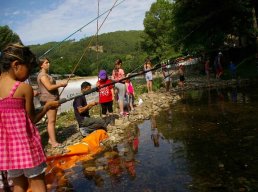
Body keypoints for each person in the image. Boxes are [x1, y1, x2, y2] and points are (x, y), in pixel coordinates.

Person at [0, 43, 60, 192]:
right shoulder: (24, 88)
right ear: (16, 65)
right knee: (38, 184)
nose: (28, 74)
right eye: (28, 68)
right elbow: (32, 119)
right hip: (27, 148)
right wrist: (46, 107)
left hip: (8, 150)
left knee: (19, 186)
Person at [37, 58, 67, 148]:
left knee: (52, 120)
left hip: (52, 99)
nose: (48, 64)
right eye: (46, 62)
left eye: (49, 62)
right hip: (48, 100)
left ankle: (51, 139)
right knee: (51, 121)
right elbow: (49, 87)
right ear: (41, 65)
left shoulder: (46, 75)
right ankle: (53, 142)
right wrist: (61, 84)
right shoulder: (42, 75)